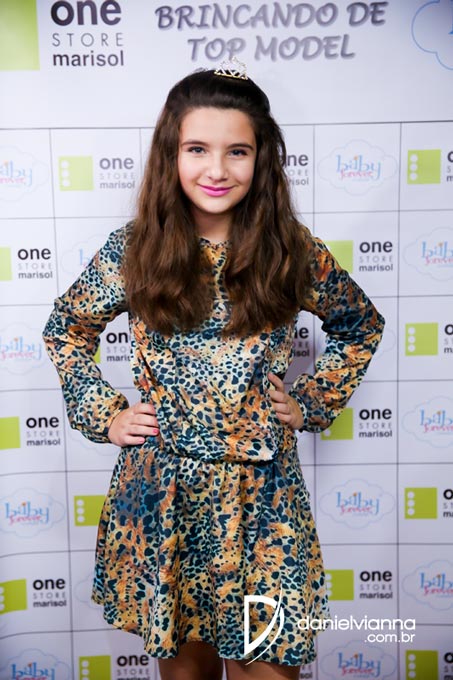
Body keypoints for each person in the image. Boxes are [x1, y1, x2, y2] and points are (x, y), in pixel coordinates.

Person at [43, 61, 385, 680]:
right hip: (166, 500)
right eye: (197, 149)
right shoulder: (134, 250)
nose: (217, 169)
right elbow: (67, 327)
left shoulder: (291, 251)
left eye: (238, 151)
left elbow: (361, 325)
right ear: (170, 154)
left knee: (268, 663)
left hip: (265, 507)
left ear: (262, 159)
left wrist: (310, 402)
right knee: (187, 670)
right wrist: (106, 414)